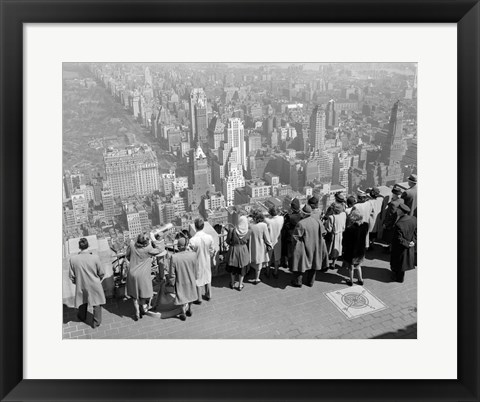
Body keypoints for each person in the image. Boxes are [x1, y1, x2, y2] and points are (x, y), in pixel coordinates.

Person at [69, 238, 106, 328]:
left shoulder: (73, 259)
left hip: (81, 283)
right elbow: (101, 273)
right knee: (96, 303)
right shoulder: (95, 257)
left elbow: (71, 276)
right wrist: (98, 280)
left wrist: (77, 282)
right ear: (88, 245)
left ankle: (82, 317)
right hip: (94, 284)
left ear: (79, 247)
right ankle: (96, 322)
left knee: (82, 301)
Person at [126, 232, 160, 321]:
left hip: (132, 273)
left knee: (135, 295)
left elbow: (127, 256)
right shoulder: (148, 249)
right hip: (143, 275)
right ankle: (144, 308)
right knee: (145, 293)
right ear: (145, 243)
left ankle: (137, 312)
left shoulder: (132, 245)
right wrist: (154, 240)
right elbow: (159, 250)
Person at [290, 204, 326, 287]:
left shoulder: (301, 223)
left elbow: (295, 237)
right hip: (316, 246)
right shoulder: (317, 221)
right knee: (314, 264)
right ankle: (310, 282)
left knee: (300, 265)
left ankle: (298, 282)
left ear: (303, 214)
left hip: (304, 247)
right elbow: (324, 232)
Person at [166, 237, 199, 321]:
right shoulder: (193, 254)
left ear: (179, 247)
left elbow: (172, 273)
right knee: (190, 294)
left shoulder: (174, 257)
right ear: (186, 245)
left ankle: (183, 312)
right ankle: (190, 309)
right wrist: (195, 277)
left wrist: (171, 282)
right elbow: (196, 268)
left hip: (180, 280)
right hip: (191, 278)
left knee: (181, 296)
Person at [189, 217, 215, 303]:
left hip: (197, 261)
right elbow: (212, 249)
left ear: (195, 227)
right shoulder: (209, 237)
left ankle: (199, 298)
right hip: (207, 259)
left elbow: (190, 253)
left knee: (198, 279)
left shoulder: (193, 240)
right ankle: (209, 294)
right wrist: (210, 255)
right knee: (207, 276)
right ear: (203, 226)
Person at [390, 203, 417, 283]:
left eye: (398, 209)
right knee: (403, 263)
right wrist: (413, 241)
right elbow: (416, 231)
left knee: (400, 263)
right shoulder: (413, 219)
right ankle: (397, 274)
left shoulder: (399, 224)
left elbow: (399, 239)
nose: (396, 210)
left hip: (400, 247)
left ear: (401, 211)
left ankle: (399, 279)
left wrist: (408, 244)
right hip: (409, 244)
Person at [342, 209, 369, 286]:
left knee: (351, 267)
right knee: (358, 265)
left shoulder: (350, 229)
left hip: (351, 251)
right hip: (361, 250)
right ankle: (360, 279)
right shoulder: (366, 225)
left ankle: (351, 281)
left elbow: (345, 241)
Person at [225, 215, 251, 291]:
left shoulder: (232, 230)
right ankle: (240, 285)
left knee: (233, 268)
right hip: (243, 250)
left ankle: (232, 283)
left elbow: (227, 241)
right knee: (242, 269)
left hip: (234, 249)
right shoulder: (248, 231)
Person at [249, 209, 272, 284]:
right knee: (259, 262)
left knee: (253, 259)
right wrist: (270, 244)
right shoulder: (263, 225)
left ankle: (249, 273)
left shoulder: (251, 225)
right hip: (261, 245)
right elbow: (267, 238)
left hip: (252, 245)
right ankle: (257, 278)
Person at [324, 202, 347, 269]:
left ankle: (326, 264)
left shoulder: (331, 217)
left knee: (329, 249)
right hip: (340, 235)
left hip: (333, 235)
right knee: (337, 249)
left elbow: (329, 229)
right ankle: (333, 263)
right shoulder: (344, 214)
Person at [281, 198, 302, 269]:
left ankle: (289, 264)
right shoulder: (301, 216)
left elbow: (285, 227)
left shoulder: (289, 216)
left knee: (289, 251)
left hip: (290, 236)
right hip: (298, 235)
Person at [265, 206, 284, 278]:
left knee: (268, 258)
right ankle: (276, 271)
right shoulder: (281, 219)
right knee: (277, 257)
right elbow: (281, 215)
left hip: (269, 241)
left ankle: (267, 271)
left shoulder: (267, 220)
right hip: (277, 241)